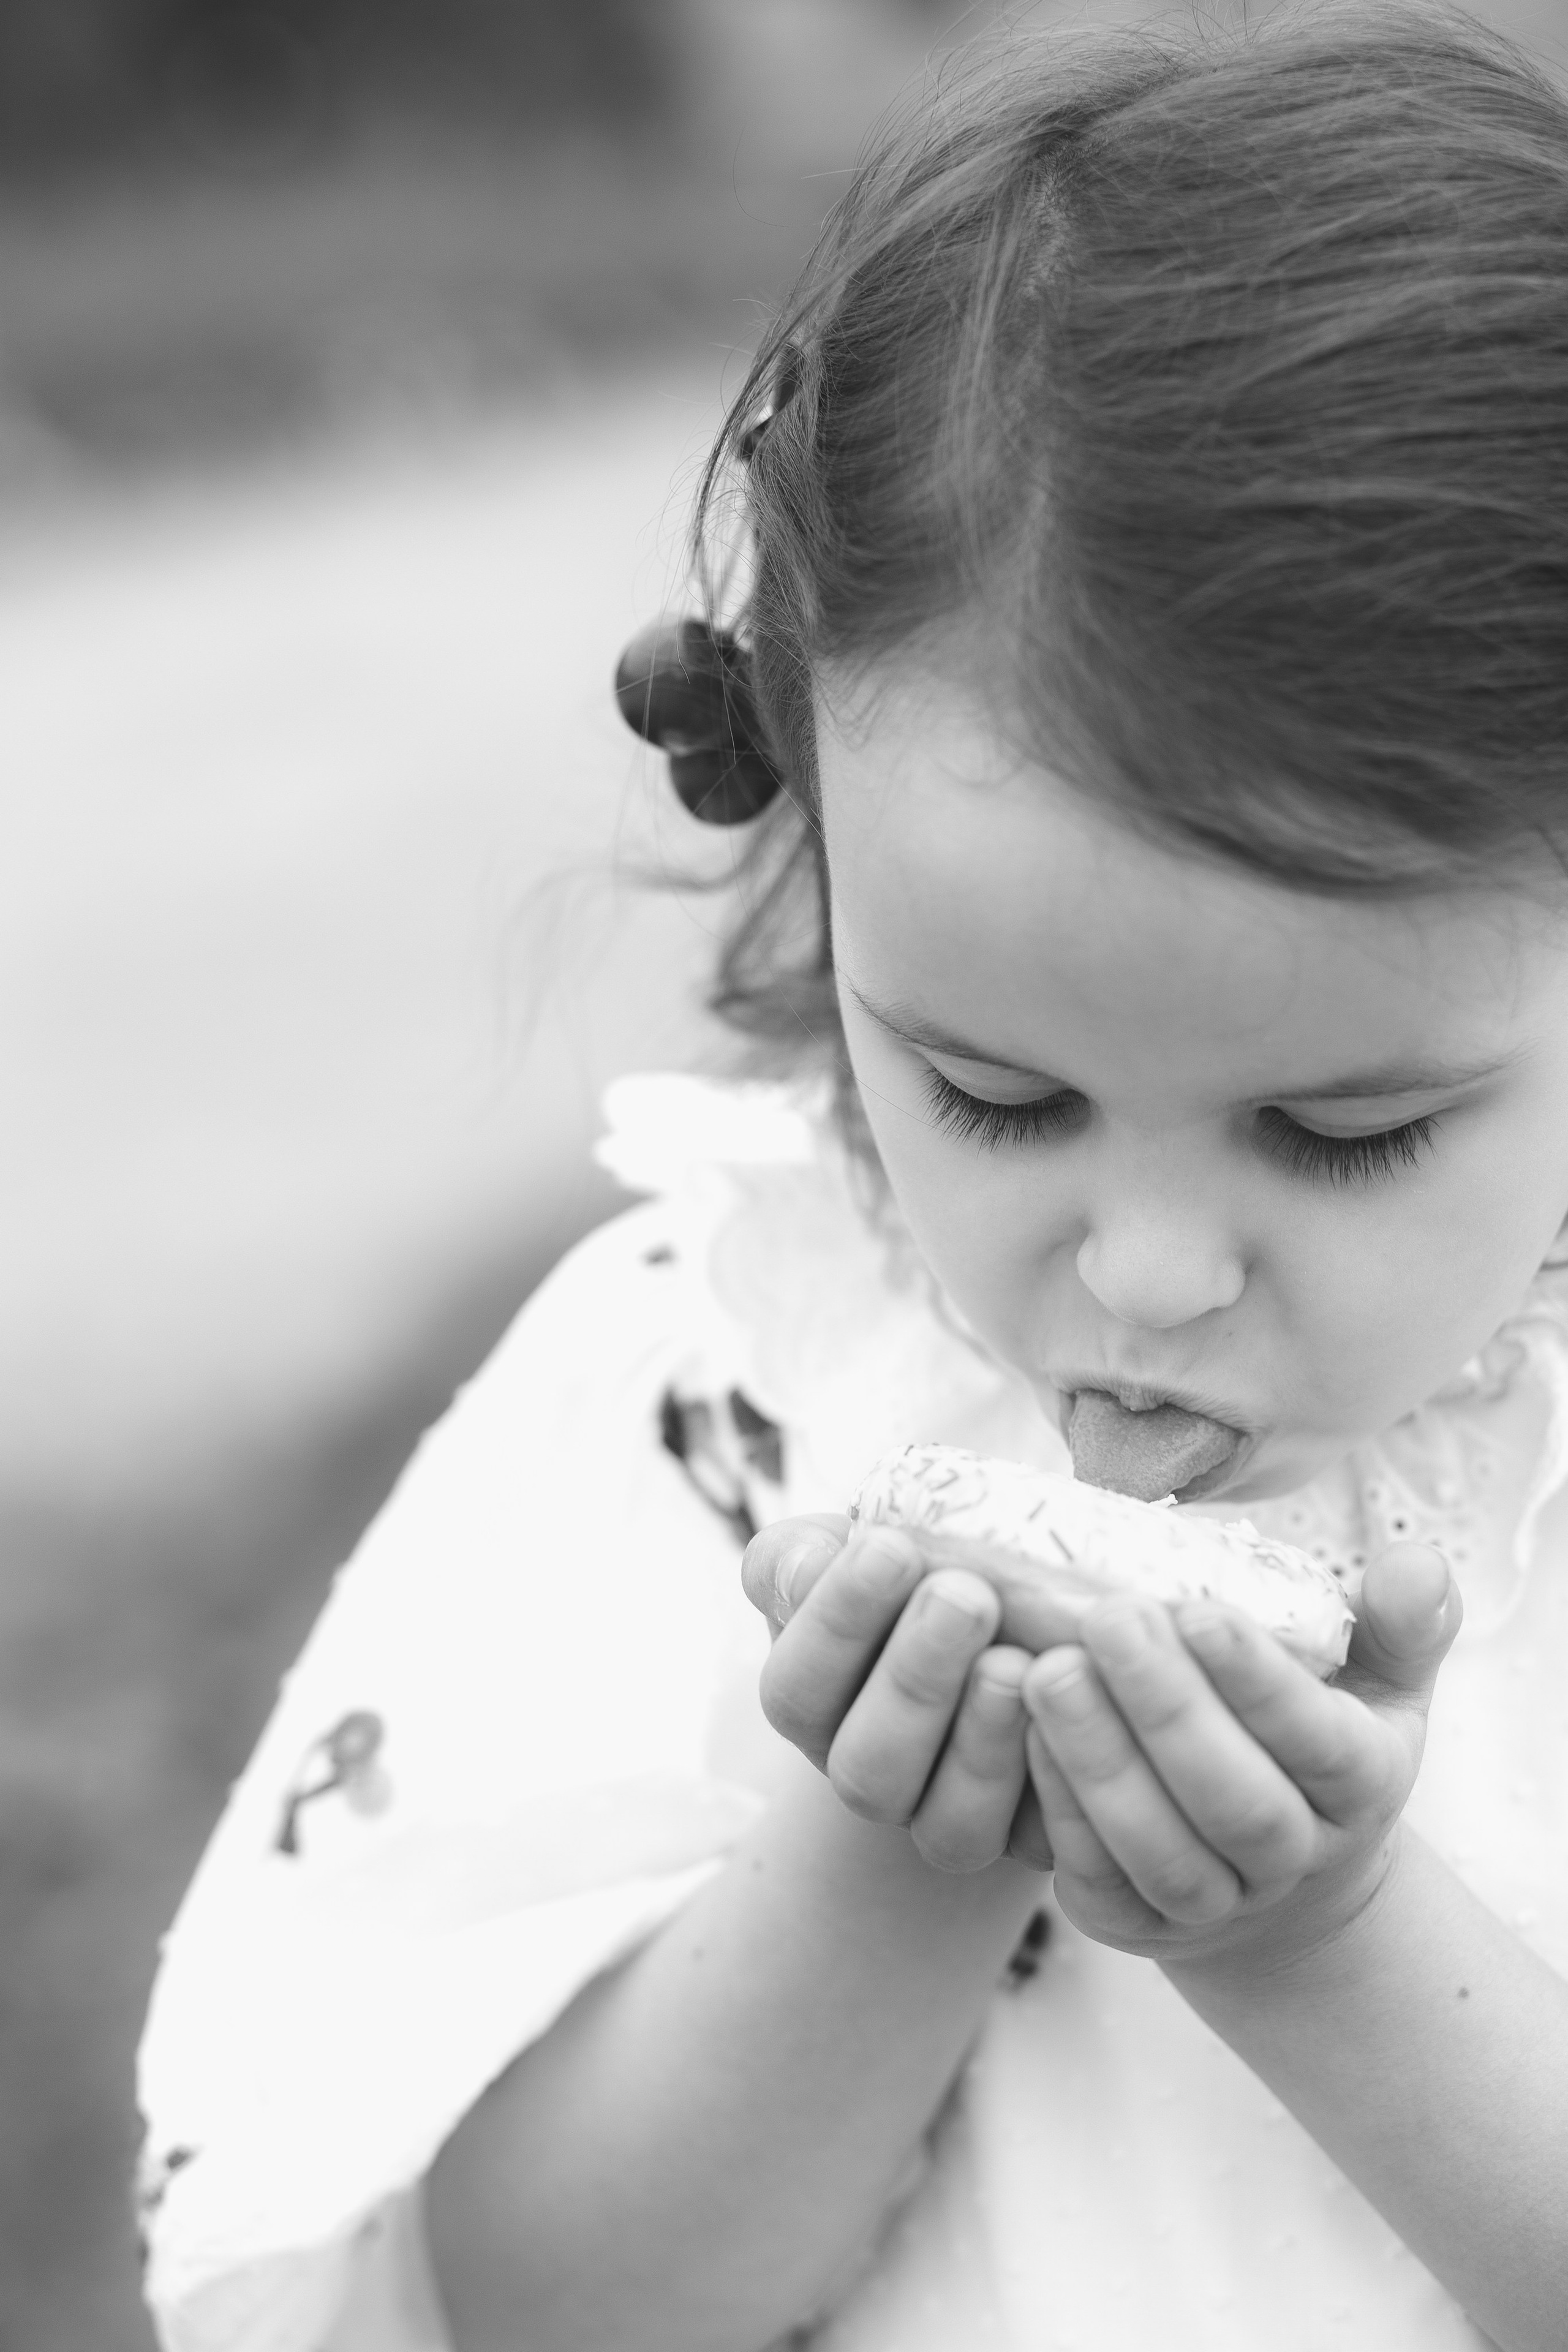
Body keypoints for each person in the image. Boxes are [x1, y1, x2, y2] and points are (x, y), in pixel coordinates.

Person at [137, 7, 1568, 2348]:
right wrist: (890, 1861)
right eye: (997, 1093)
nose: (1150, 1269)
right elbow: (536, 2311)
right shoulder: (714, 1399)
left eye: (1346, 1131)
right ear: (811, 828)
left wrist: (1317, 1943)